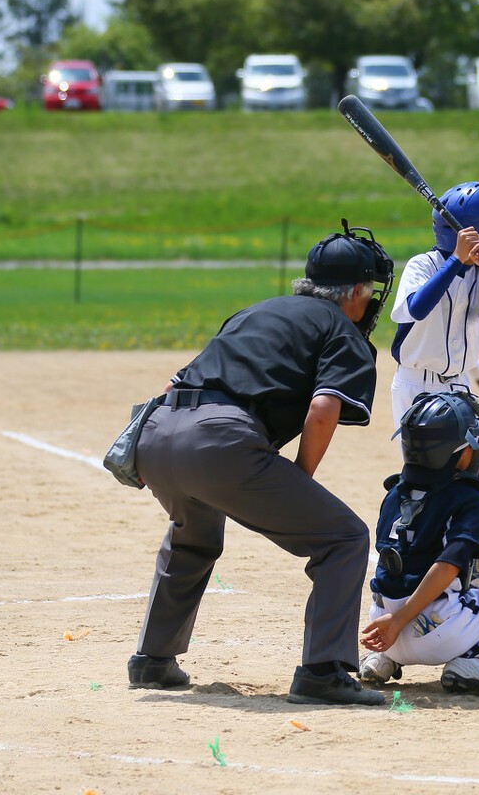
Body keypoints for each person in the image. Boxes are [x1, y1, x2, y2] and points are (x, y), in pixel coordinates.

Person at [126, 221, 394, 707]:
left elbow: (174, 384)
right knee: (344, 537)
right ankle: (323, 672)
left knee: (193, 535)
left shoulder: (255, 311)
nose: (371, 302)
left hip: (158, 432)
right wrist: (300, 477)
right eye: (370, 292)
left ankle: (152, 660)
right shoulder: (342, 331)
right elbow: (322, 409)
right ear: (355, 292)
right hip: (220, 442)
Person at [359, 391, 479, 695]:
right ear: (461, 453)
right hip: (432, 632)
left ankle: (383, 661)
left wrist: (394, 621)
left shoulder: (394, 493)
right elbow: (446, 566)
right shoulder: (467, 497)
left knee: (415, 567)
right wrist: (400, 620)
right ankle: (478, 661)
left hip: (382, 629)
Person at [389, 181, 479, 521]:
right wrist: (455, 262)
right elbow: (415, 309)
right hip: (417, 389)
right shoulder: (422, 265)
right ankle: (404, 552)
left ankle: (477, 562)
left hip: (460, 388)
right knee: (427, 485)